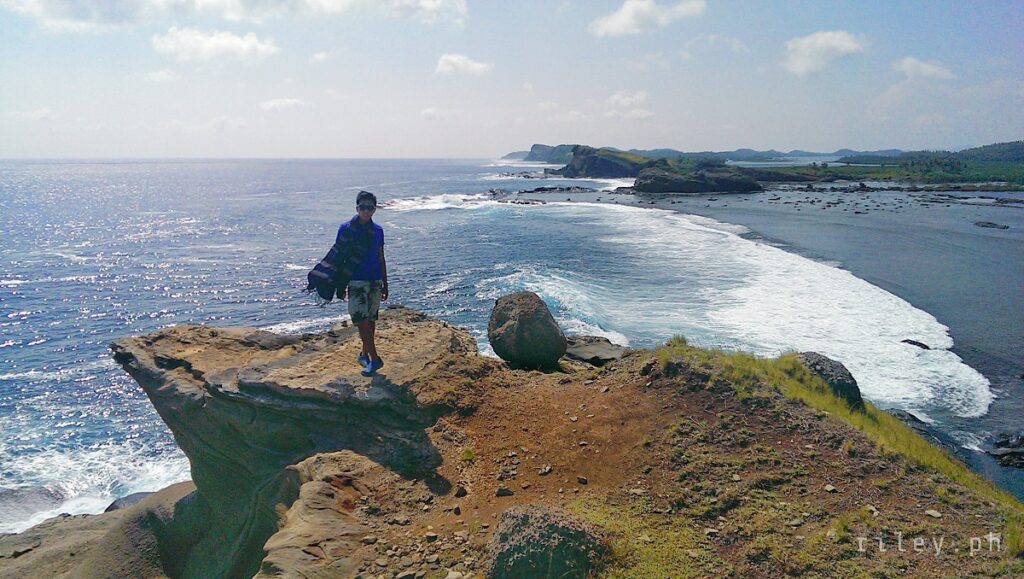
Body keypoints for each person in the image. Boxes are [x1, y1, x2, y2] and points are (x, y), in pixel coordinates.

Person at [338, 191, 388, 376]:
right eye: (362, 208)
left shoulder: (378, 231)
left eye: (370, 208)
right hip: (355, 280)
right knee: (360, 319)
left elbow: (381, 258)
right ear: (356, 208)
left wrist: (385, 283)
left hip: (374, 280)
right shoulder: (346, 229)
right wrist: (340, 284)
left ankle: (364, 353)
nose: (366, 211)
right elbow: (339, 257)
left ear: (374, 209)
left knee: (370, 319)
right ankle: (375, 359)